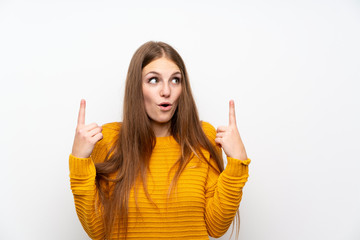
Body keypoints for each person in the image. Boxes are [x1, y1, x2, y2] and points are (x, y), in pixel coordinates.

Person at [69, 41, 251, 240]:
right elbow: (98, 231)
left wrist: (237, 163)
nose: (166, 91)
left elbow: (216, 227)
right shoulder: (108, 140)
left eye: (175, 80)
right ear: (136, 87)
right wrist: (79, 160)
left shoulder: (203, 137)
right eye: (154, 80)